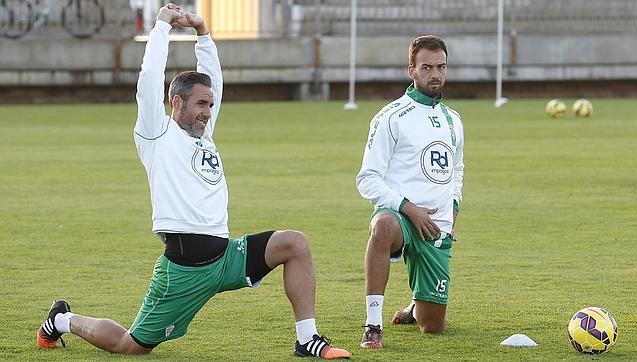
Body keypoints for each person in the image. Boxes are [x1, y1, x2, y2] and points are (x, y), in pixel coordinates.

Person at [36, 4, 350, 359]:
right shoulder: (156, 134)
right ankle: (62, 319)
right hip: (184, 272)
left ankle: (307, 340)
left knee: (294, 244)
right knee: (132, 346)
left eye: (211, 105)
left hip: (226, 258)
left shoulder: (204, 135)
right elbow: (150, 76)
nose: (207, 112)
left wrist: (203, 33)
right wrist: (162, 27)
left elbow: (212, 76)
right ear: (176, 102)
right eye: (200, 104)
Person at [355, 35, 464, 349]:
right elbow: (367, 179)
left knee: (433, 329)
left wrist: (453, 208)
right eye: (426, 66)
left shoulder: (454, 121)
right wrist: (407, 207)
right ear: (411, 70)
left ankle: (417, 307)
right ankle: (373, 325)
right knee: (382, 226)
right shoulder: (390, 118)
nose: (435, 74)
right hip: (401, 219)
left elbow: (456, 169)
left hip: (436, 227)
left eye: (441, 67)